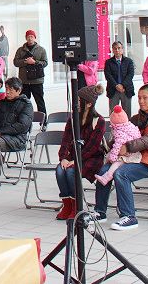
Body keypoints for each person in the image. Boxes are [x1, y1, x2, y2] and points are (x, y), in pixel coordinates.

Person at [92, 86, 148, 231]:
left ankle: (129, 216)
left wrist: (128, 147)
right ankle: (100, 212)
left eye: (145, 98)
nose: (141, 101)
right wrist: (113, 143)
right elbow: (122, 135)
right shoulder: (136, 118)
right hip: (131, 158)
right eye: (139, 97)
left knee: (121, 174)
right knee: (104, 170)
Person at [55, 85, 106, 220]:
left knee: (71, 172)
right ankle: (67, 205)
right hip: (73, 156)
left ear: (89, 104)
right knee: (60, 170)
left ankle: (77, 206)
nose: (75, 103)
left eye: (78, 101)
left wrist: (75, 160)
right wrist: (63, 157)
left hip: (91, 158)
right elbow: (66, 140)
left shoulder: (99, 121)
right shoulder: (73, 118)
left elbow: (92, 147)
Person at [94, 105, 142, 185]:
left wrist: (112, 158)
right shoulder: (130, 126)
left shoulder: (119, 132)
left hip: (128, 155)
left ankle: (107, 177)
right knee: (108, 160)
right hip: (134, 151)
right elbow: (138, 136)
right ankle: (104, 174)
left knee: (116, 164)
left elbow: (117, 146)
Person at [13, 30, 48, 113]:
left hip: (37, 81)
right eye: (28, 36)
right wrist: (25, 62)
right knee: (23, 103)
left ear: (35, 38)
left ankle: (44, 120)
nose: (30, 38)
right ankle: (24, 119)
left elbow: (45, 63)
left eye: (32, 36)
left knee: (40, 102)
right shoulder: (20, 50)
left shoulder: (41, 50)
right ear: (26, 38)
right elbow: (15, 62)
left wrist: (34, 62)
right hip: (24, 81)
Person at [103, 41, 135, 113]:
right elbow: (108, 75)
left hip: (126, 90)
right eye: (115, 48)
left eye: (119, 48)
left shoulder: (128, 61)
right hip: (113, 90)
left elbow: (130, 74)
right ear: (112, 50)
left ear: (122, 49)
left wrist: (122, 85)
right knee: (113, 113)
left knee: (127, 114)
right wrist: (116, 85)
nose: (117, 50)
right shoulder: (108, 62)